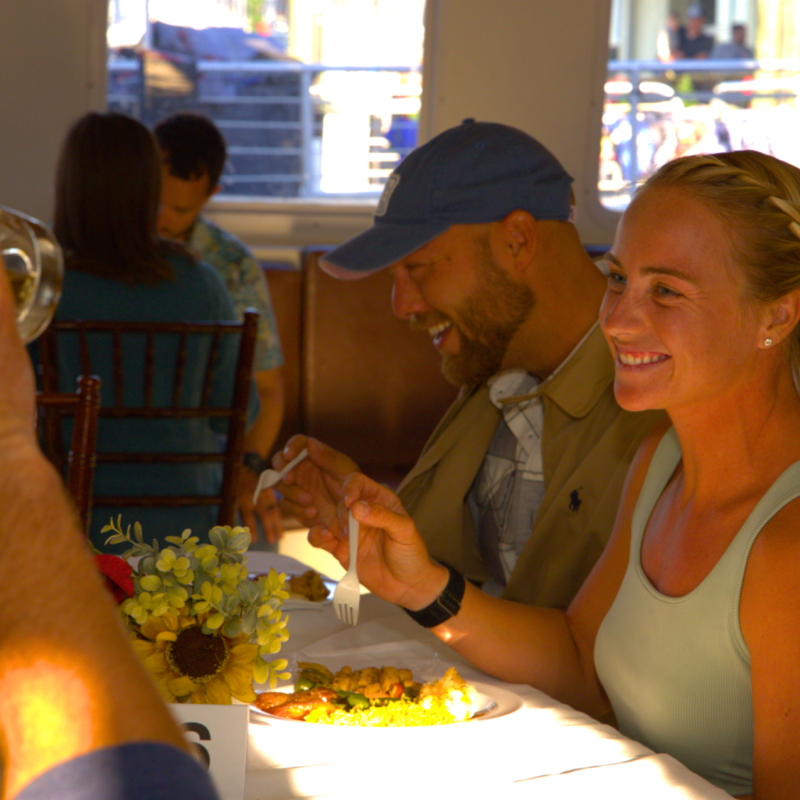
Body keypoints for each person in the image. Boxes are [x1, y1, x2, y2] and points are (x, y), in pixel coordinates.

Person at [311, 149, 800, 798]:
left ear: (778, 316)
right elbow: (580, 663)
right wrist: (422, 586)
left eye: (667, 291)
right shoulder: (659, 461)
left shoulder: (786, 545)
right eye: (618, 278)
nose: (619, 320)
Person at [276, 120, 663, 608]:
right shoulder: (496, 370)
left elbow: (589, 653)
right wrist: (366, 516)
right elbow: (449, 582)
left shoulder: (657, 394)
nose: (401, 305)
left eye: (416, 268)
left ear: (517, 241)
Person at [0, 263, 218, 799]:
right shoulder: (206, 284)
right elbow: (243, 406)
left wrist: (14, 450)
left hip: (81, 517)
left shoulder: (56, 292)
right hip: (191, 520)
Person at [36, 111, 258, 552]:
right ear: (149, 188)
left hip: (74, 526)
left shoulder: (45, 288)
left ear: (70, 187)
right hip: (190, 526)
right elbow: (235, 411)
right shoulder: (202, 283)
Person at [154, 112, 285, 545]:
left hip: (208, 454)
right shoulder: (108, 256)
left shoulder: (231, 266)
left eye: (179, 208)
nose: (161, 218)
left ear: (211, 194)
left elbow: (268, 389)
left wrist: (248, 468)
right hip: (133, 452)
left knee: (256, 528)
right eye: (153, 199)